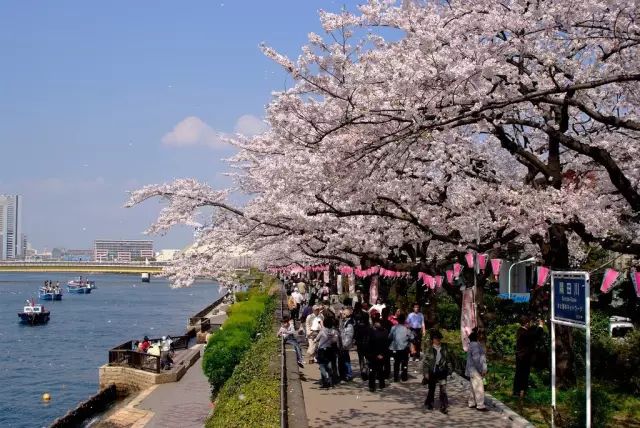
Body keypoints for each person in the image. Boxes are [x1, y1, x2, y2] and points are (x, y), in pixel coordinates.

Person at [513, 316, 544, 398]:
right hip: (522, 357)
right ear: (526, 323)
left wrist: (537, 324)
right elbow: (535, 335)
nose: (530, 324)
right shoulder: (523, 332)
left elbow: (532, 331)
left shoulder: (523, 331)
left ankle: (521, 391)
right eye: (529, 322)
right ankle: (518, 392)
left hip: (524, 356)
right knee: (521, 374)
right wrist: (540, 326)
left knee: (523, 374)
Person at [423, 330, 452, 414]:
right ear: (432, 340)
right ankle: (430, 402)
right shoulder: (429, 349)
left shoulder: (445, 348)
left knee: (443, 389)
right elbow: (425, 363)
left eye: (439, 338)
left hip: (442, 371)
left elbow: (448, 360)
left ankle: (443, 406)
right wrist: (426, 373)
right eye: (436, 338)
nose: (438, 340)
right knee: (432, 388)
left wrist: (450, 370)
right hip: (433, 371)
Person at [366, 312, 389, 392]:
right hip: (374, 354)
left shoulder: (384, 332)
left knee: (378, 370)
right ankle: (373, 386)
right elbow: (369, 345)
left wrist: (381, 354)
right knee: (374, 370)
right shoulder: (371, 332)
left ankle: (380, 384)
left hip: (377, 354)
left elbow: (386, 345)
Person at [466, 328, 488, 411]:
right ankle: (480, 405)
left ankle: (471, 402)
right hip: (475, 369)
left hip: (471, 369)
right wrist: (481, 369)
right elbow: (476, 358)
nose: (481, 336)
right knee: (479, 386)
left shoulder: (471, 345)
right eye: (480, 334)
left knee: (473, 386)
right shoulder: (475, 345)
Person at [388, 313, 414, 382]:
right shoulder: (407, 328)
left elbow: (390, 337)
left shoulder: (393, 328)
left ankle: (396, 377)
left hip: (395, 348)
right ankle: (404, 376)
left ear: (398, 320)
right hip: (404, 349)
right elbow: (412, 337)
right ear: (404, 320)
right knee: (404, 363)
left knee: (396, 362)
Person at [315, 316, 339, 388]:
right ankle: (331, 381)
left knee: (322, 365)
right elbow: (335, 341)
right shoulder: (334, 331)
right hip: (330, 350)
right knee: (329, 365)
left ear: (324, 323)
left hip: (322, 350)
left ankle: (325, 380)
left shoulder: (322, 331)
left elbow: (317, 339)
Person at [352, 302, 371, 380]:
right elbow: (368, 325)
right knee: (367, 356)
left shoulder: (354, 315)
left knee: (361, 356)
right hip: (366, 338)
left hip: (359, 338)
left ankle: (363, 371)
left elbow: (354, 327)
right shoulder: (365, 314)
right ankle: (366, 369)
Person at [338, 306, 355, 381]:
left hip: (344, 345)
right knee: (343, 360)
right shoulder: (343, 322)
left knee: (346, 360)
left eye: (344, 314)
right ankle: (344, 374)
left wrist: (344, 345)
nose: (342, 315)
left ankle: (349, 374)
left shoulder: (349, 324)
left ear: (347, 315)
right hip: (342, 344)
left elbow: (349, 336)